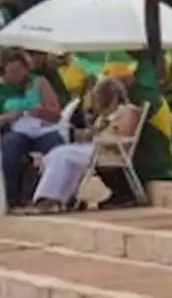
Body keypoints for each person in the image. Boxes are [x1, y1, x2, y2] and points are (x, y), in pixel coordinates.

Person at [32, 77, 141, 212]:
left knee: (63, 154)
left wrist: (97, 136)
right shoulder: (103, 116)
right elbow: (96, 132)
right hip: (96, 148)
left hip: (109, 150)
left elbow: (124, 135)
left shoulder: (128, 111)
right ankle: (59, 198)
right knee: (59, 153)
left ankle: (47, 197)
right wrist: (87, 134)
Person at [0, 49, 64, 210]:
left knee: (58, 146)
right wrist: (8, 117)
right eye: (11, 72)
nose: (16, 75)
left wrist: (38, 111)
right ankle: (12, 199)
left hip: (41, 129)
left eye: (19, 70)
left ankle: (57, 196)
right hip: (16, 130)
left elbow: (56, 114)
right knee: (10, 146)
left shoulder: (39, 82)